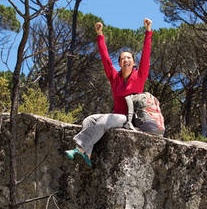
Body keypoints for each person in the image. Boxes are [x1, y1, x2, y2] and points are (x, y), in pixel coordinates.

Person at [65, 18, 152, 167]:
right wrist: (100, 34)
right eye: (123, 58)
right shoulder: (114, 77)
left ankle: (79, 148)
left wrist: (148, 32)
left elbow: (146, 55)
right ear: (119, 63)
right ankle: (87, 154)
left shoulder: (140, 76)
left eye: (129, 58)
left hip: (129, 119)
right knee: (89, 120)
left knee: (105, 121)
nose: (126, 59)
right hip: (115, 115)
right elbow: (105, 58)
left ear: (133, 62)